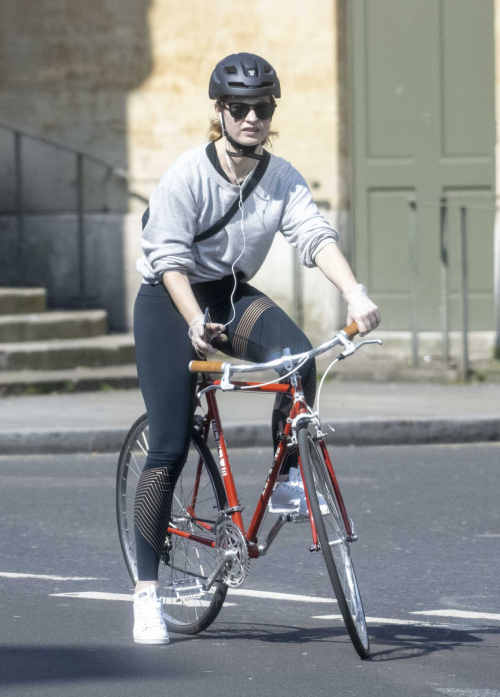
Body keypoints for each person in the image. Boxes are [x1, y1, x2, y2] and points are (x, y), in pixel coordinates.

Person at [132, 52, 380, 644]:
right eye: (238, 108)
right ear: (219, 112)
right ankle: (145, 594)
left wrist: (355, 293)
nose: (250, 118)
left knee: (297, 355)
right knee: (167, 447)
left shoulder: (282, 177)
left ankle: (292, 472)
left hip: (229, 293)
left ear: (272, 113)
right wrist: (193, 320)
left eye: (261, 108)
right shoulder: (187, 174)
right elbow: (166, 258)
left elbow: (314, 235)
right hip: (170, 300)